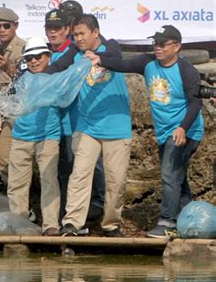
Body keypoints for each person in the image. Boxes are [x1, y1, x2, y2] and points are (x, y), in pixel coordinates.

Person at [86, 25, 204, 238]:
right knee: (177, 176)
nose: (157, 48)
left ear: (177, 46)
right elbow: (123, 64)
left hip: (186, 130)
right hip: (164, 131)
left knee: (169, 174)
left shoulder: (187, 70)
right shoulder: (148, 62)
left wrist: (182, 128)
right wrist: (100, 60)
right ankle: (187, 218)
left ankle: (167, 222)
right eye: (155, 44)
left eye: (162, 44)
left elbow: (195, 103)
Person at [57, 14, 132, 237]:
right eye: (75, 35)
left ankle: (111, 224)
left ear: (95, 33)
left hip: (116, 127)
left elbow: (116, 57)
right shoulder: (75, 54)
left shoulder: (111, 46)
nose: (78, 38)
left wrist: (97, 57)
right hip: (86, 126)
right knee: (79, 175)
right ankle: (72, 223)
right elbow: (57, 68)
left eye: (82, 34)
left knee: (115, 180)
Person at [44, 9, 106, 227]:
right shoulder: (66, 52)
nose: (77, 37)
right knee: (66, 173)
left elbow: (114, 53)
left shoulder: (90, 49)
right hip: (56, 126)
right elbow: (56, 69)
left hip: (79, 123)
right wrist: (39, 79)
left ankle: (95, 209)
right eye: (49, 28)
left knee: (85, 169)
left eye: (61, 27)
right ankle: (66, 218)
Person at [7, 37, 61, 236]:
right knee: (16, 184)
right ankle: (18, 225)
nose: (34, 61)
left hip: (48, 136)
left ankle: (51, 225)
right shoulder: (19, 78)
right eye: (29, 58)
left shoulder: (56, 76)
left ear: (48, 56)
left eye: (38, 56)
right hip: (21, 136)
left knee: (49, 181)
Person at [0, 7, 26, 188]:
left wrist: (9, 68)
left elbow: (26, 82)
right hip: (5, 114)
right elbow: (0, 89)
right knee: (3, 161)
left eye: (6, 26)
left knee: (17, 162)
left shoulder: (24, 49)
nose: (1, 30)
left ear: (15, 26)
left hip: (21, 114)